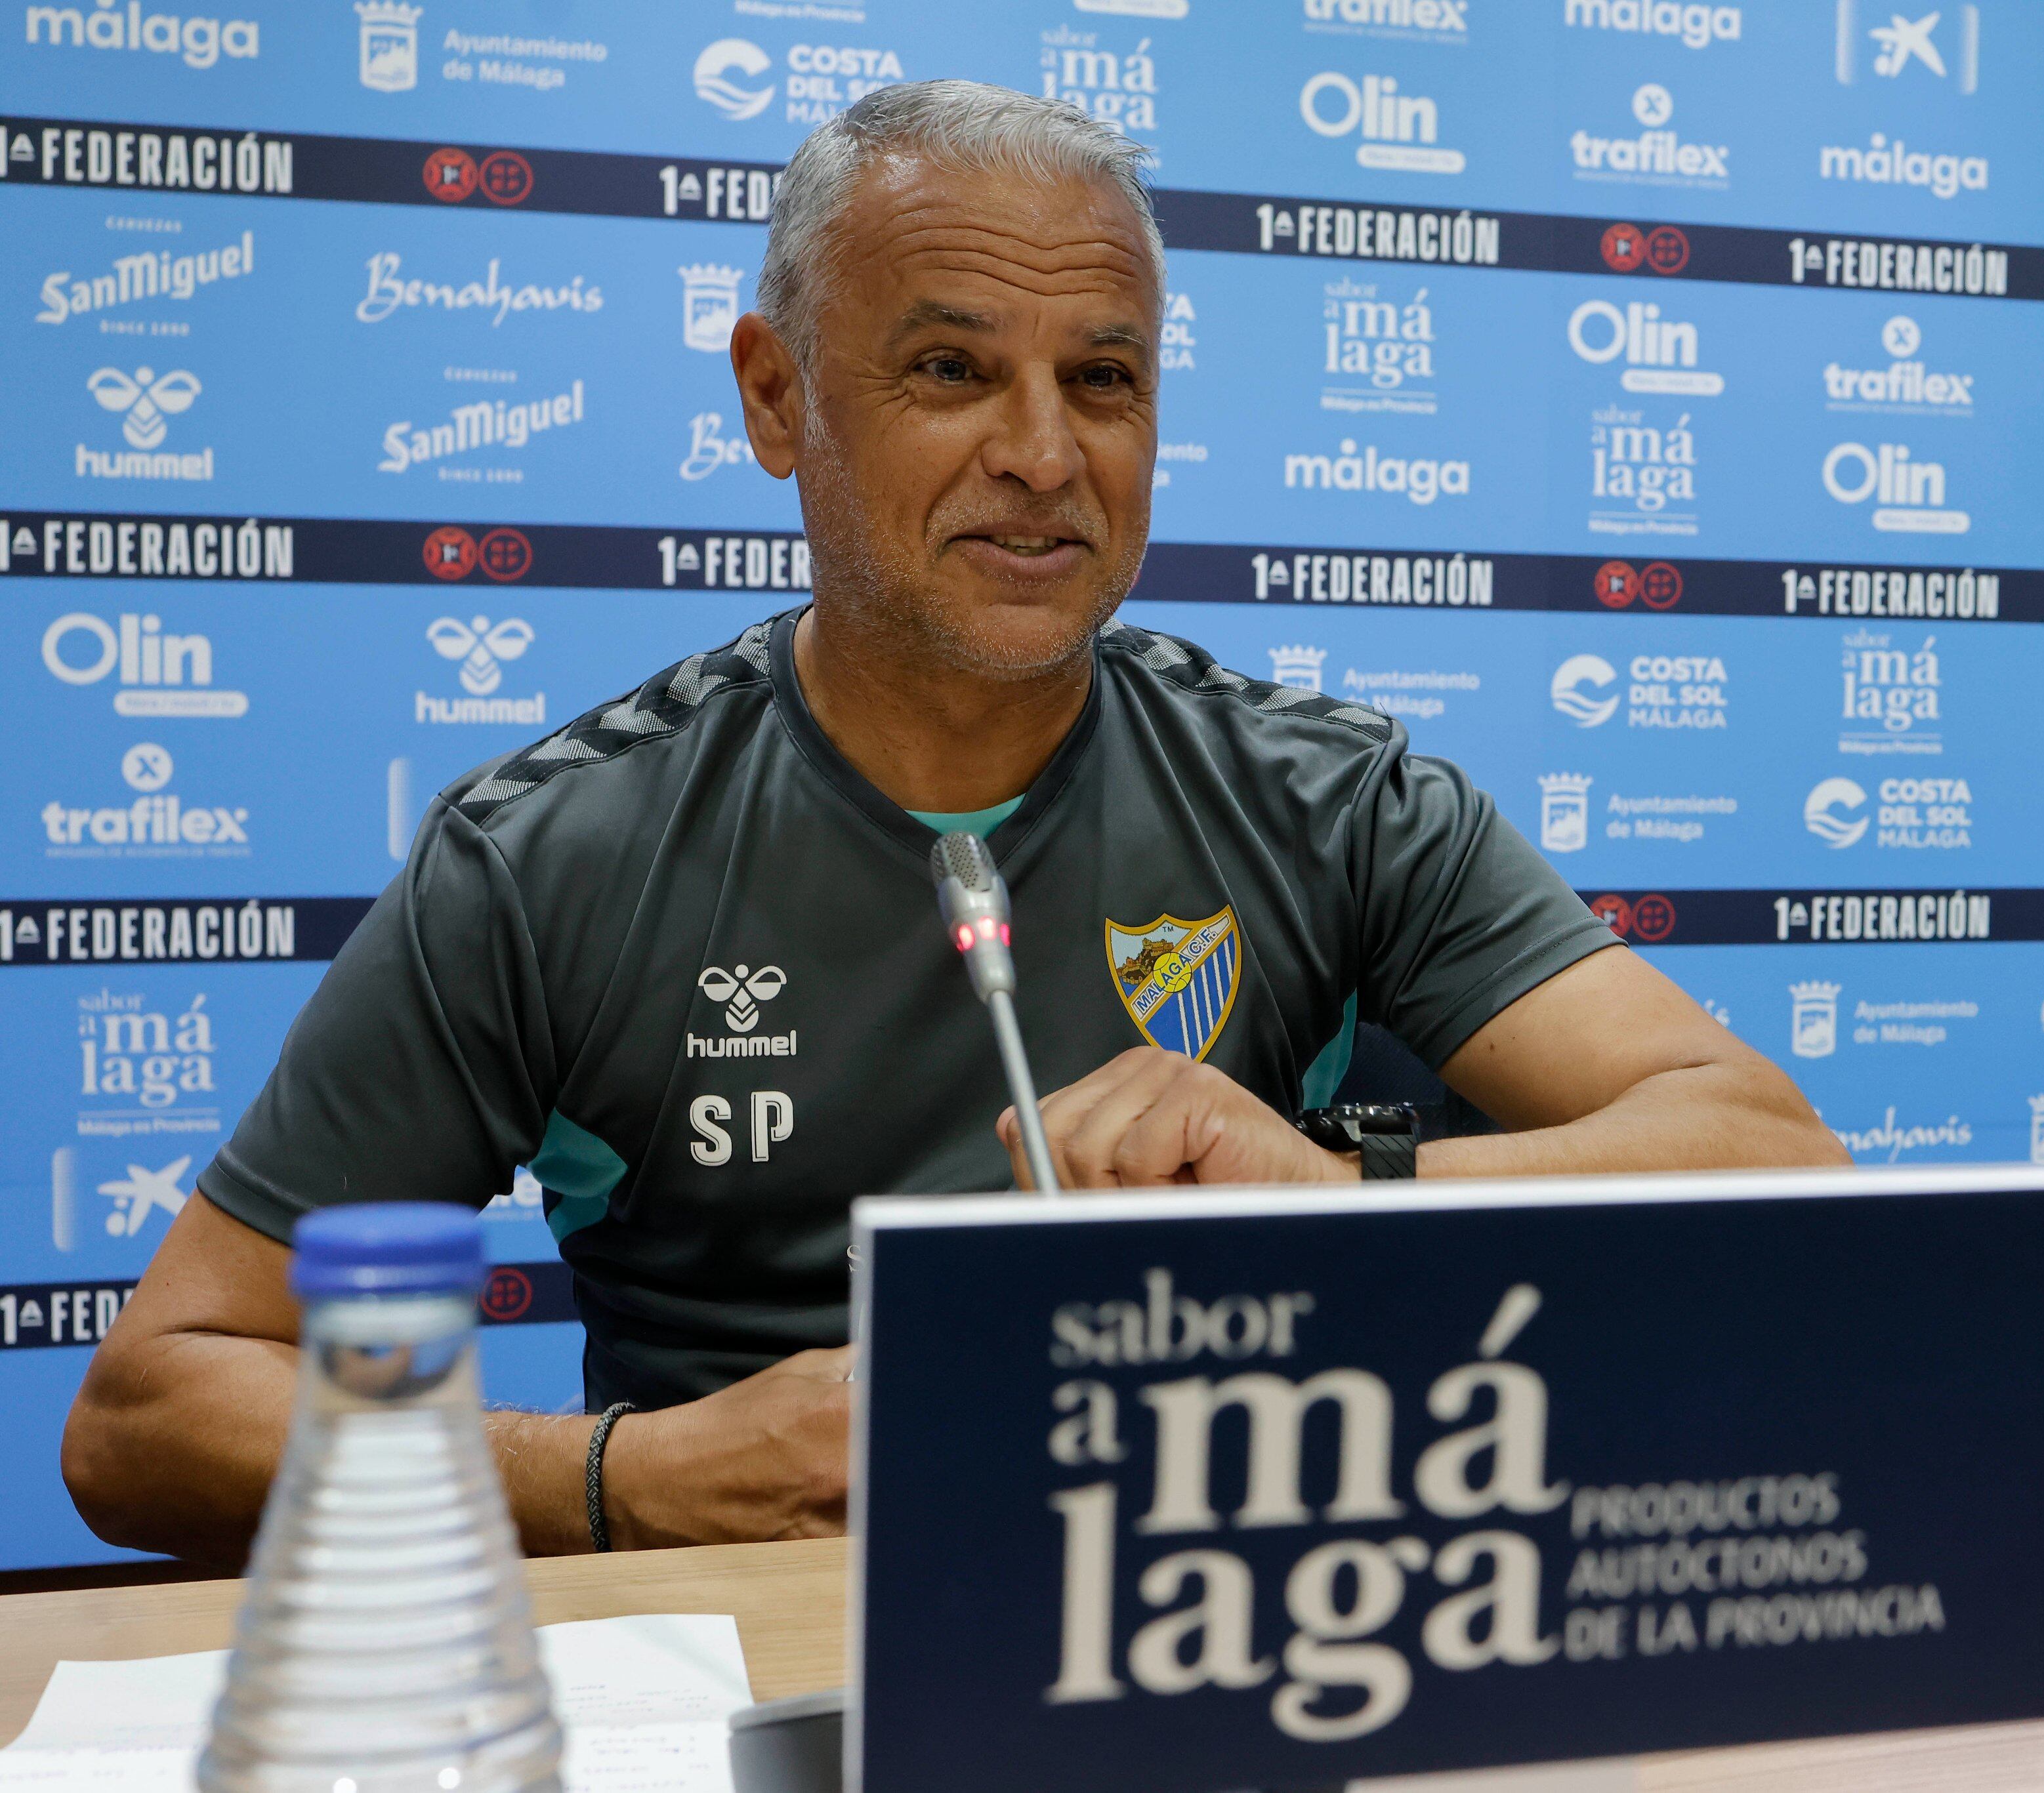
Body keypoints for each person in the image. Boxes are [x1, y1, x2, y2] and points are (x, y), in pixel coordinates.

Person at [62, 81, 1845, 1566]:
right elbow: (151, 1406)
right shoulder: (552, 856)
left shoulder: (1336, 798)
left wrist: (1339, 1186)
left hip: (1220, 1631)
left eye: (1105, 379)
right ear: (776, 397)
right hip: (768, 1642)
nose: (1044, 454)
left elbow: (1774, 1163)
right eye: (949, 371)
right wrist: (630, 1478)